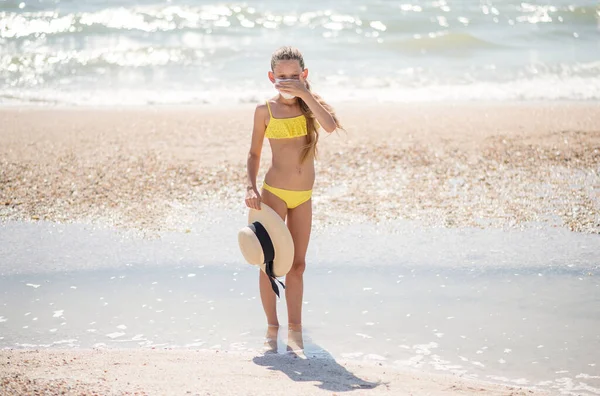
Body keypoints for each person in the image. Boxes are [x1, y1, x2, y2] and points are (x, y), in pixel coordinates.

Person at [244, 46, 343, 333]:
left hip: (303, 197)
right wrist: (250, 188)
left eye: (294, 76)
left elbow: (331, 127)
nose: (287, 82)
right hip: (274, 193)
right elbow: (253, 154)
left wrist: (306, 94)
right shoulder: (264, 110)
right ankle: (272, 328)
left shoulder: (310, 105)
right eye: (281, 76)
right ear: (270, 76)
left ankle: (295, 329)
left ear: (304, 75)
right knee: (270, 264)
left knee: (298, 266)